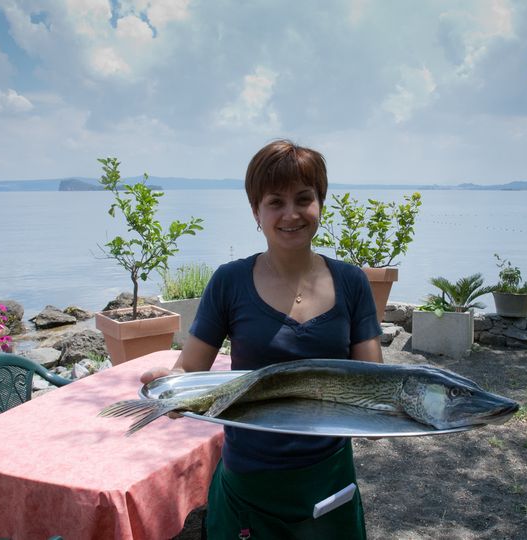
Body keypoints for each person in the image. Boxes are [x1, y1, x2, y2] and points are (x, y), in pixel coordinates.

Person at [141, 139, 383, 539]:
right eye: (275, 202)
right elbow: (189, 369)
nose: (291, 214)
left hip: (329, 476)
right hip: (250, 480)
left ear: (320, 203)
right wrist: (168, 386)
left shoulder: (352, 282)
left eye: (304, 199)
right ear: (256, 211)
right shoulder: (229, 282)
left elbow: (374, 383)